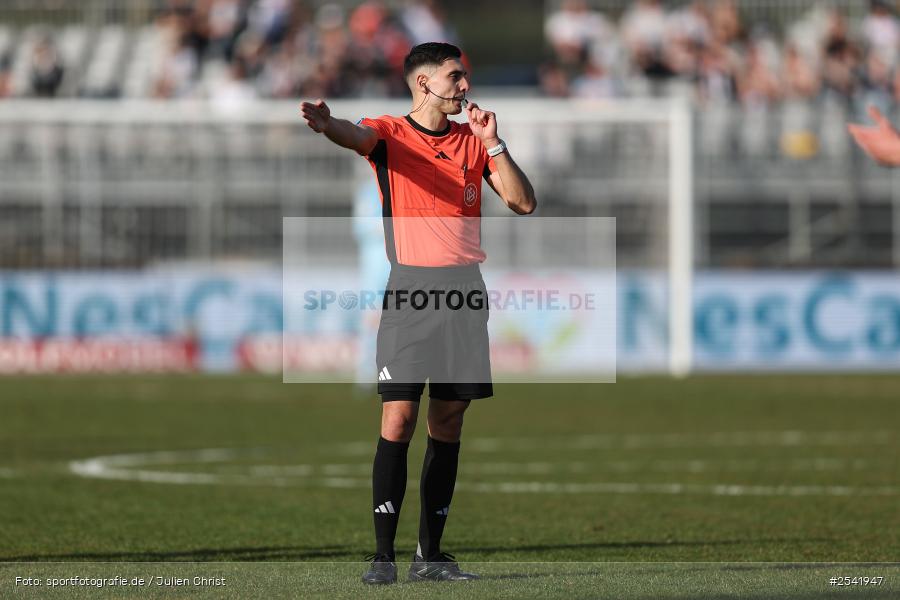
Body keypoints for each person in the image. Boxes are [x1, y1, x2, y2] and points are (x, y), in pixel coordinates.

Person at [300, 42, 536, 585]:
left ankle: (430, 556)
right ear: (424, 83)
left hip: (464, 293)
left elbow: (523, 203)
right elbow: (356, 137)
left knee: (447, 423)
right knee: (398, 419)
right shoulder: (390, 133)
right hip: (411, 292)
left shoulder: (475, 143)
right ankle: (382, 556)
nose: (465, 85)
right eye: (455, 76)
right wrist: (327, 123)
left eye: (465, 75)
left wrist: (494, 144)